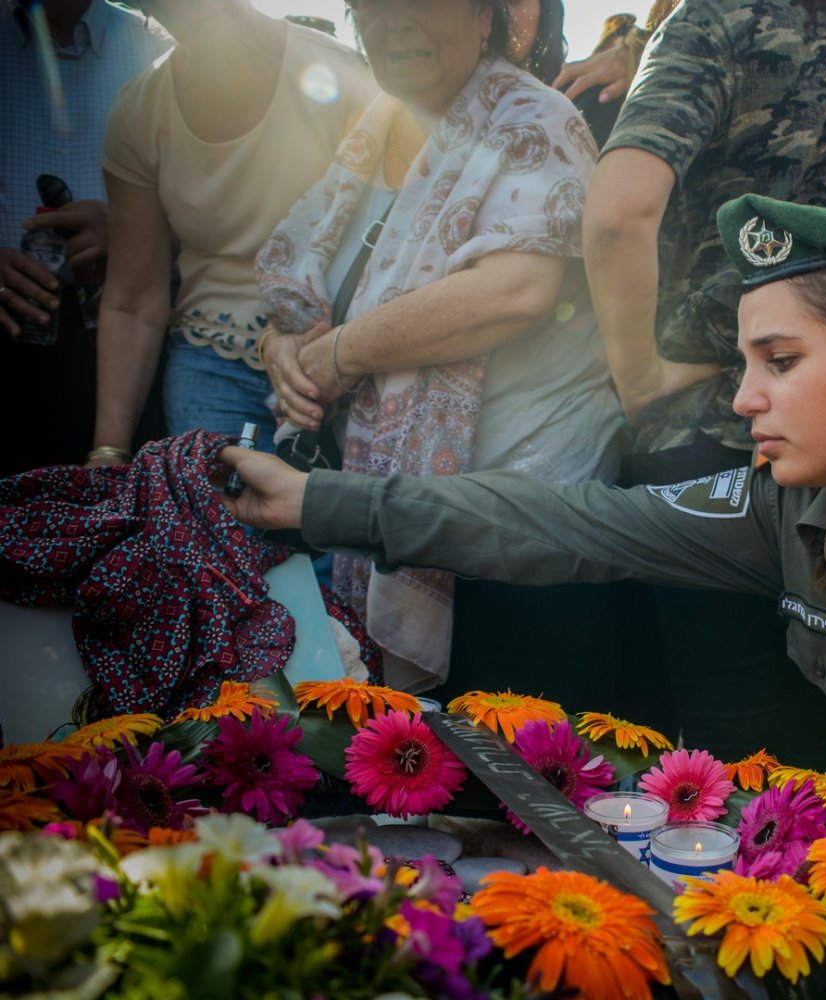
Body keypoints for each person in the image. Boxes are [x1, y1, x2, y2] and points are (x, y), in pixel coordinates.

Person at [220, 196, 826, 839]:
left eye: (779, 362)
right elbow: (567, 524)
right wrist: (316, 502)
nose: (744, 399)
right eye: (744, 363)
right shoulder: (783, 509)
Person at [580, 0, 826, 769]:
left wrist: (639, 374)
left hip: (707, 439)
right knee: (815, 750)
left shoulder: (716, 19)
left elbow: (615, 216)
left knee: (704, 758)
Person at [254, 0, 623, 694]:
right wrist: (281, 342)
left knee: (497, 761)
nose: (393, 22)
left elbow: (515, 289)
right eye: (371, 5)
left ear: (487, 16)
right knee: (388, 765)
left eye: (423, 1)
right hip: (385, 501)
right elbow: (313, 282)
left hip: (511, 515)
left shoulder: (535, 121)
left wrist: (336, 358)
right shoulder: (374, 126)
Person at [86, 0, 373, 467]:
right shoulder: (140, 112)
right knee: (220, 535)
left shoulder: (339, 73)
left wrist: (345, 356)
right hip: (212, 362)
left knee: (329, 536)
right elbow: (134, 298)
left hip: (334, 363)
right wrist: (108, 452)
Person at [0, 0, 170, 475]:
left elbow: (207, 199)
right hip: (9, 332)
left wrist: (135, 229)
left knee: (116, 509)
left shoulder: (155, 46)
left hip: (124, 335)